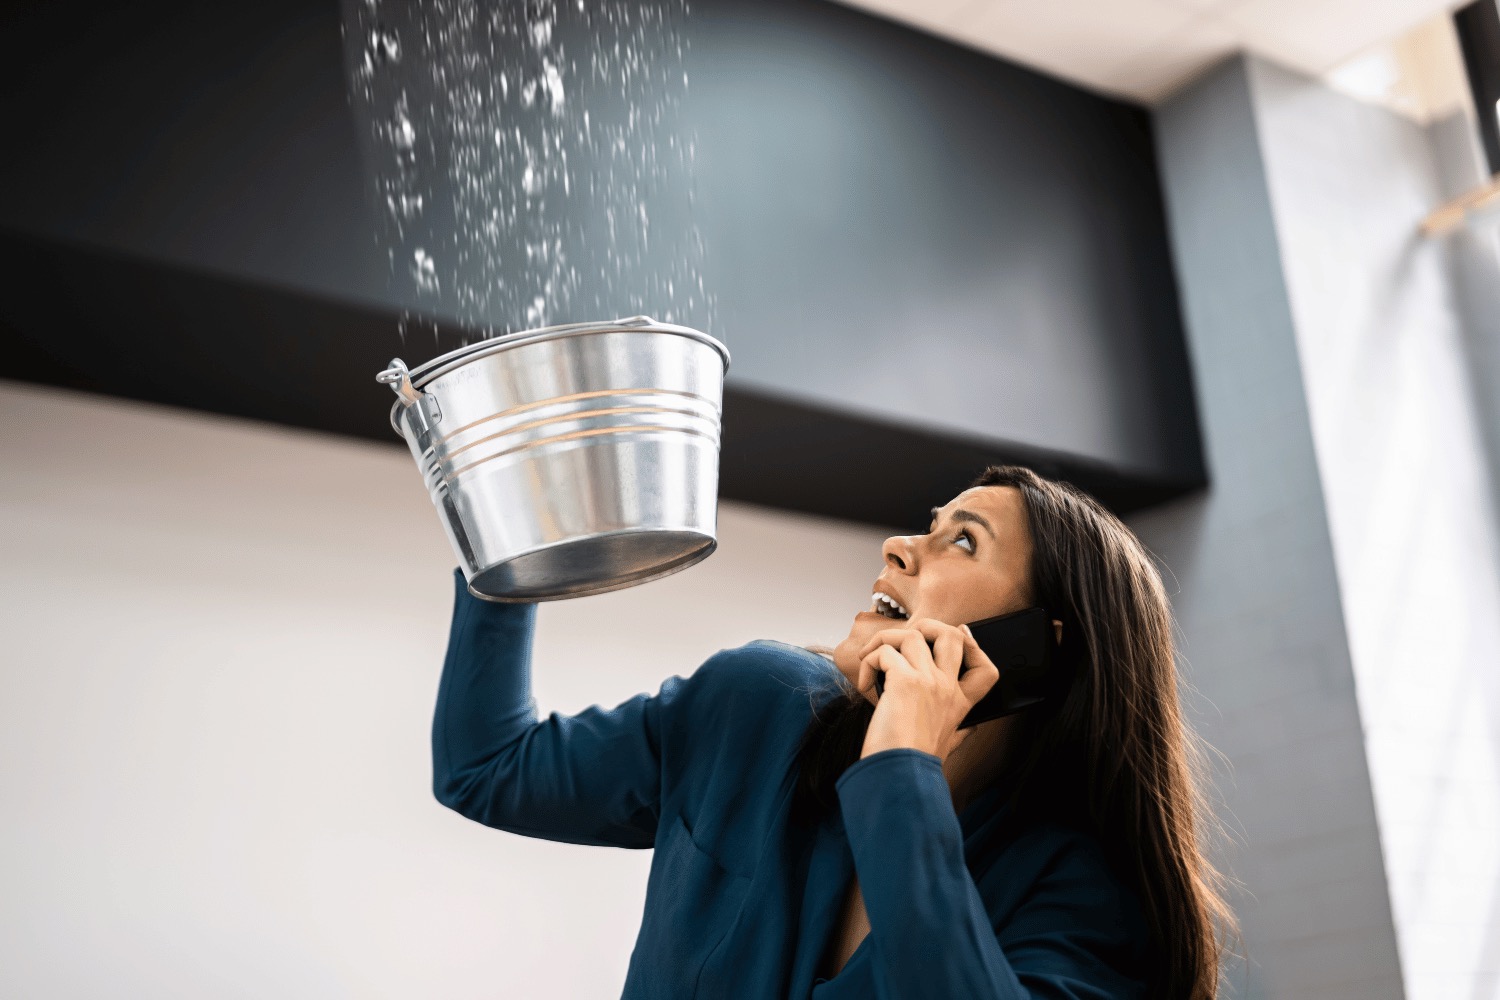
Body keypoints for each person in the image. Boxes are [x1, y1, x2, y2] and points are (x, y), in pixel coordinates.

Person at [431, 464, 1236, 998]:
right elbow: (486, 767)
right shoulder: (756, 704)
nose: (898, 547)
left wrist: (902, 769)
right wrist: (501, 545)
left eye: (961, 540)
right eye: (928, 524)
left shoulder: (1082, 905)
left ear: (1037, 644)